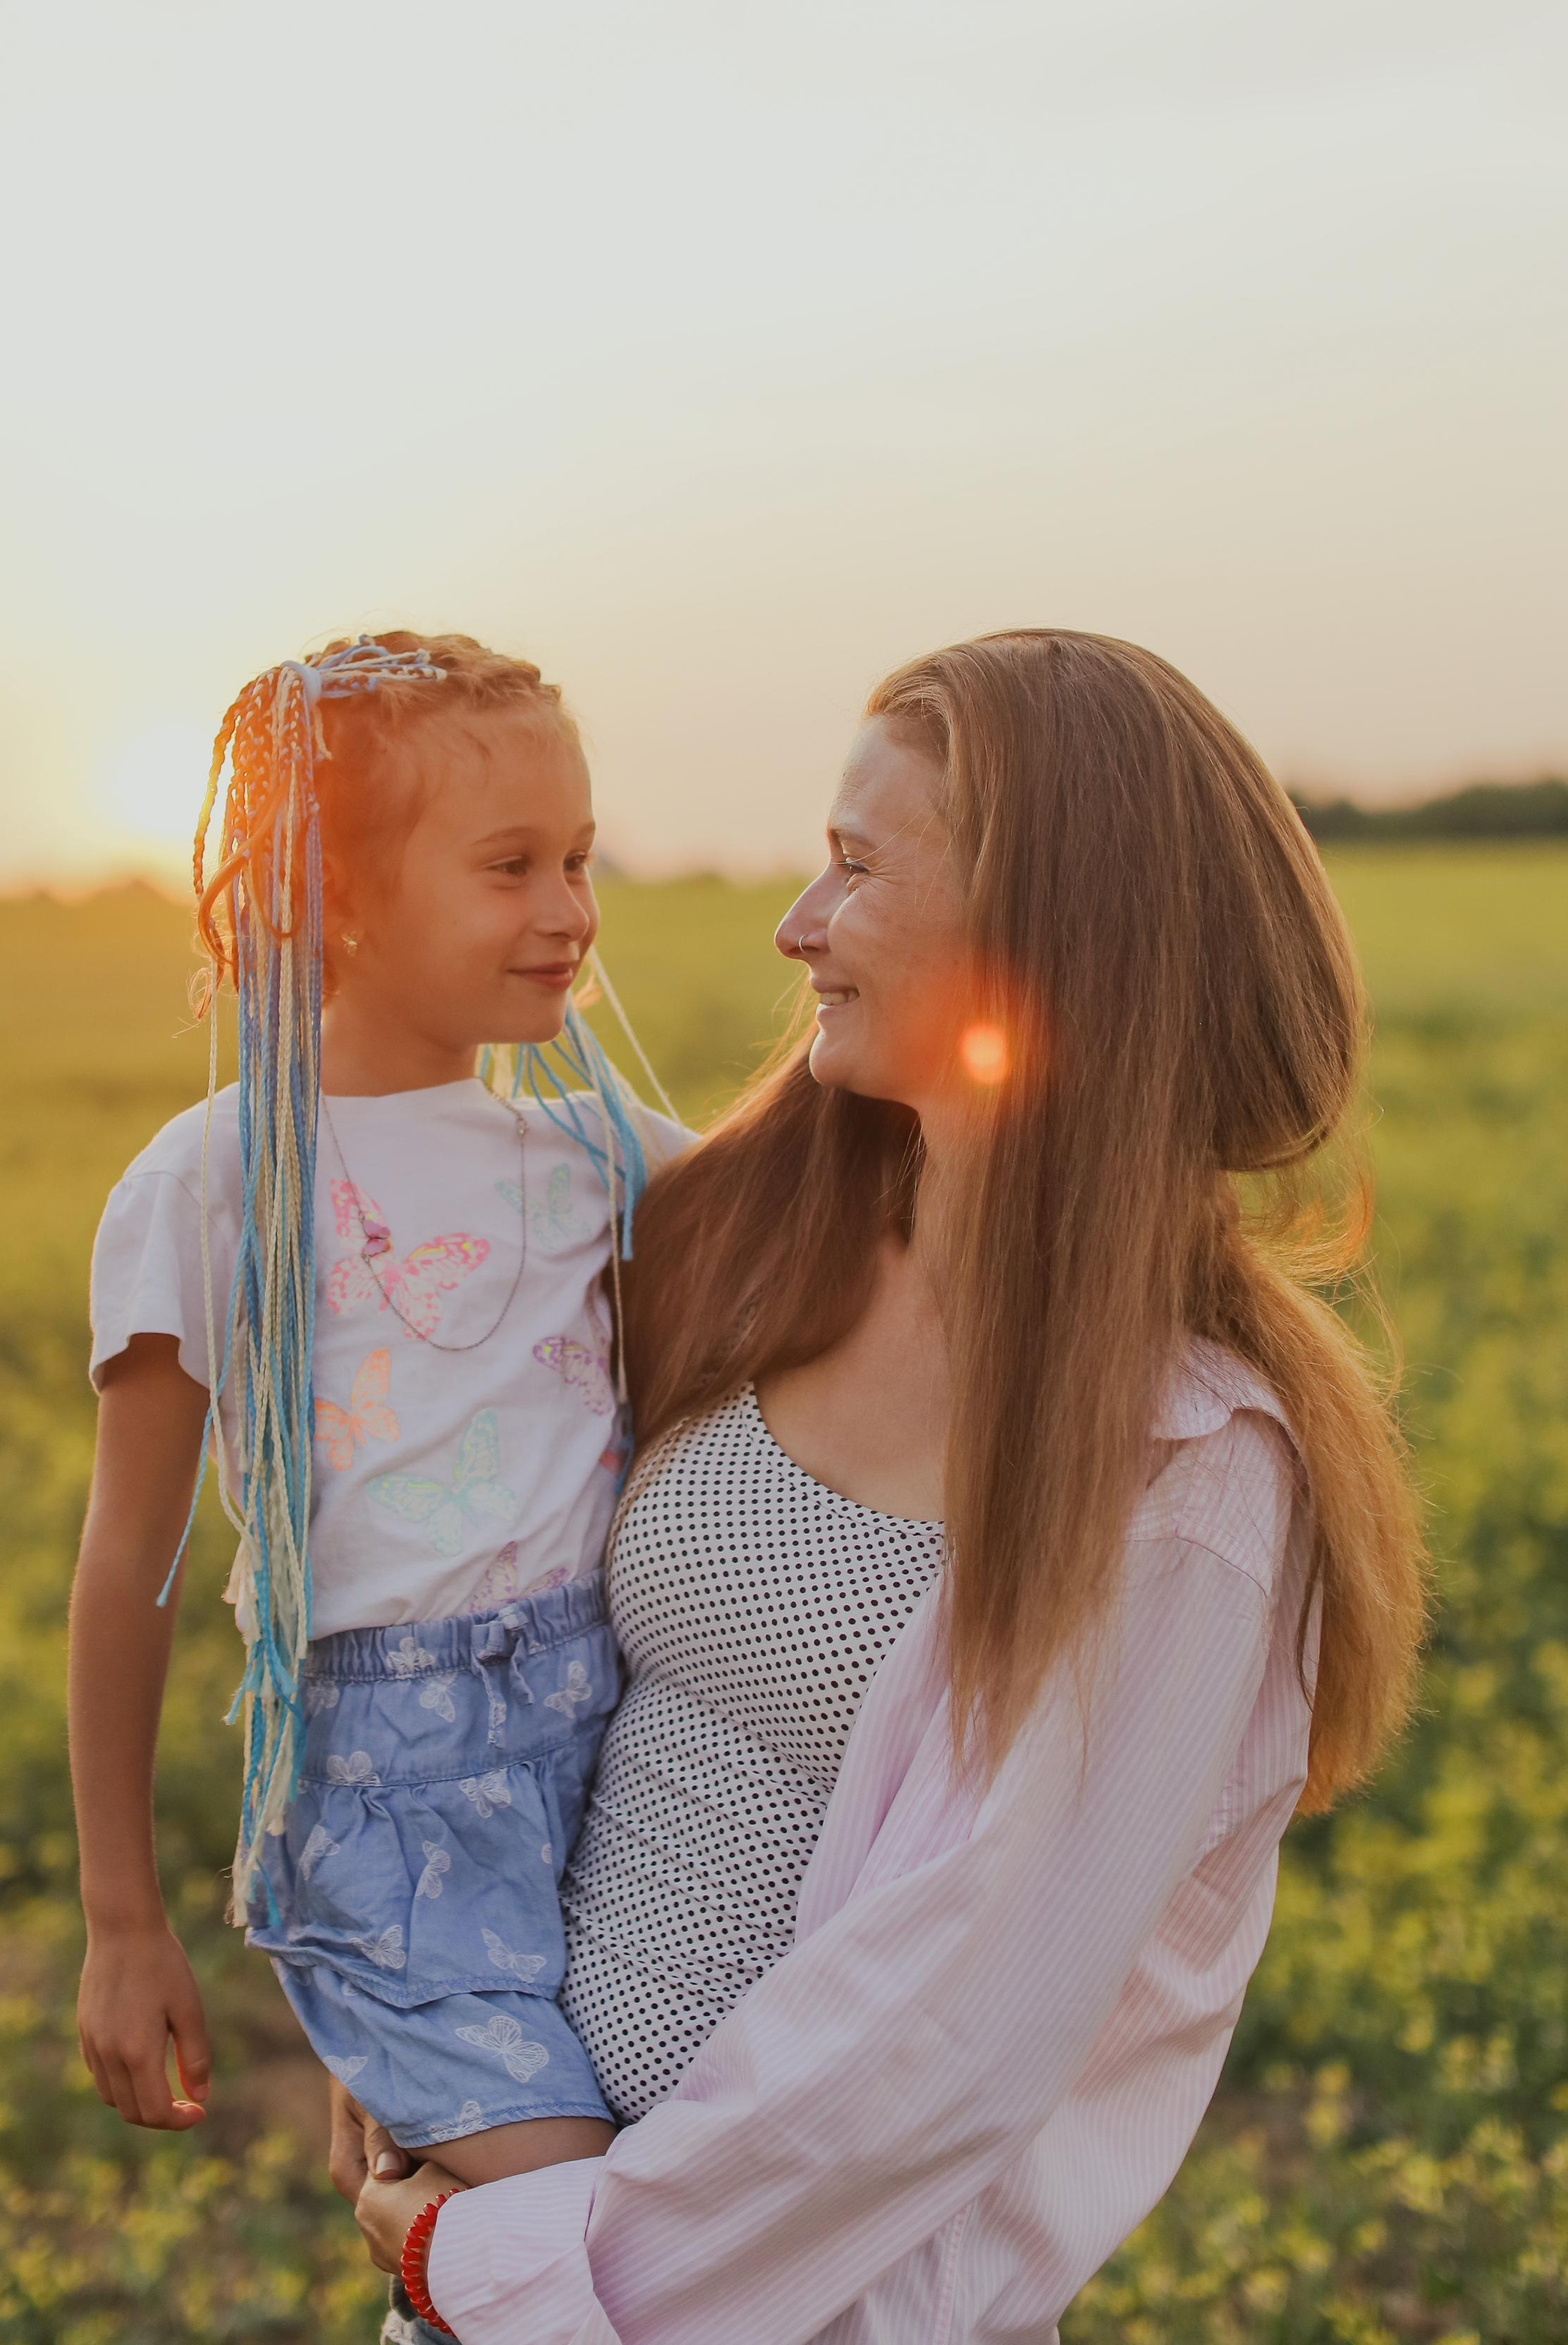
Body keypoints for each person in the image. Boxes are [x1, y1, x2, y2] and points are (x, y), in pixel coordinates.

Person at [350, 628, 1427, 2345]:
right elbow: (512, 1661)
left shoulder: (1189, 1481)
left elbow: (941, 2046)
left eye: (855, 867)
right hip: (504, 2248)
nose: (797, 926)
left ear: (1043, 936)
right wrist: (428, 2010)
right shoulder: (747, 1242)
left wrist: (503, 2262)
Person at [68, 632, 687, 2199]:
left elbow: (834, 1199)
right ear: (331, 895)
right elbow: (129, 1558)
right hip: (388, 1814)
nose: (568, 910)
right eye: (509, 866)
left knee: (665, 2195)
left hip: (621, 1760)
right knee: (558, 2210)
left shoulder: (598, 1156)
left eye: (576, 860)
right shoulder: (214, 1183)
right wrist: (122, 1920)